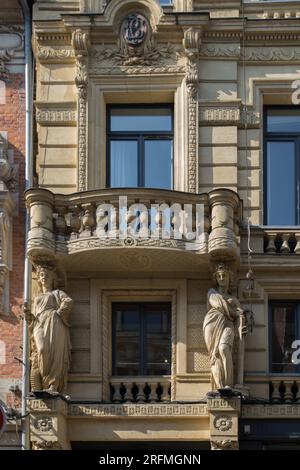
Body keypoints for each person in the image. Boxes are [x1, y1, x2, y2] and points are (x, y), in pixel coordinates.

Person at [24, 263, 73, 395]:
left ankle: (52, 385)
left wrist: (59, 312)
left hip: (54, 321)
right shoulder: (36, 297)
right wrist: (28, 314)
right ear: (38, 279)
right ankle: (42, 381)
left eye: (47, 275)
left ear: (52, 279)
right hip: (39, 322)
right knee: (41, 349)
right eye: (41, 275)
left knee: (56, 354)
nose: (43, 277)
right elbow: (32, 317)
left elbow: (68, 301)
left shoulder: (57, 293)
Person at [203, 263, 247, 390]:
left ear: (229, 278)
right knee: (214, 355)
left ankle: (229, 384)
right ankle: (220, 385)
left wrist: (243, 319)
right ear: (216, 279)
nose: (221, 278)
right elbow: (219, 305)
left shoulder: (234, 299)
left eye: (224, 276)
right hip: (211, 323)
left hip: (228, 324)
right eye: (219, 276)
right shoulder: (211, 293)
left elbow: (241, 315)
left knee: (223, 348)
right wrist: (234, 313)